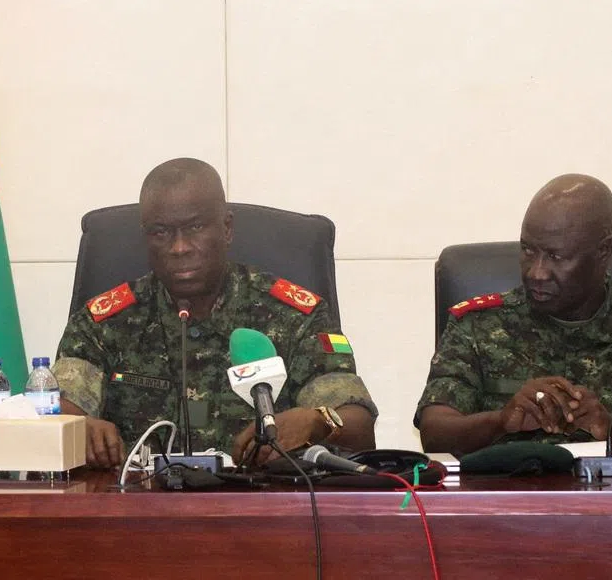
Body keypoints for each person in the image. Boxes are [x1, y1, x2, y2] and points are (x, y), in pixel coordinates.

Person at [54, 157, 377, 468]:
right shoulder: (103, 323)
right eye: (161, 232)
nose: (179, 247)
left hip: (260, 502)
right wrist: (77, 428)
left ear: (227, 228)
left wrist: (317, 422)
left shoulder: (295, 316)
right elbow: (55, 413)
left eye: (195, 227)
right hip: (138, 502)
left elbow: (359, 427)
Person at [416, 174, 612, 456]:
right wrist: (500, 422)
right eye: (528, 250)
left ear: (603, 251)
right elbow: (435, 432)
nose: (537, 272)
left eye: (556, 256)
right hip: (513, 499)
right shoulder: (477, 325)